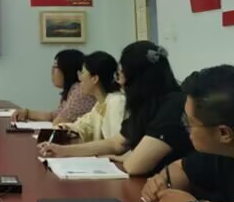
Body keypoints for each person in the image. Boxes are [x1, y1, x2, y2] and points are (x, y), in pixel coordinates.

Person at [38, 41, 193, 176]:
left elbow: (134, 166)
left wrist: (123, 158)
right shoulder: (147, 104)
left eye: (121, 75)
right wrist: (62, 151)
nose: (120, 83)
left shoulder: (172, 106)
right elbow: (116, 143)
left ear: (136, 78)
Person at [141, 65, 234, 202]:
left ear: (224, 133)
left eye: (189, 122)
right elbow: (180, 168)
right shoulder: (225, 150)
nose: (185, 127)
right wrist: (161, 182)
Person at [56, 51, 126, 142]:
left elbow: (117, 143)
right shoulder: (100, 104)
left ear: (95, 79)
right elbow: (83, 126)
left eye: (82, 73)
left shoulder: (117, 102)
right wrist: (65, 128)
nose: (80, 78)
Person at [12, 49, 94, 125]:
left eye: (55, 66)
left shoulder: (80, 92)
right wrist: (27, 113)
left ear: (68, 69)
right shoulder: (72, 89)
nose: (52, 71)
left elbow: (57, 124)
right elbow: (53, 115)